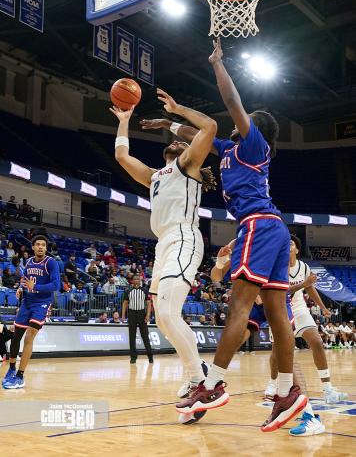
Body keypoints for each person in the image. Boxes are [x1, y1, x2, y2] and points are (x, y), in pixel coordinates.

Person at [143, 40, 304, 431]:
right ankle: (287, 391)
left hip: (259, 225)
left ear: (255, 128)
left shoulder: (253, 144)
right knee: (276, 312)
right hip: (273, 229)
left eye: (248, 117)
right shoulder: (230, 148)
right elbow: (199, 134)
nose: (241, 118)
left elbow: (231, 101)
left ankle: (211, 384)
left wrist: (218, 64)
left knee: (239, 308)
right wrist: (170, 123)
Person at [112, 88, 216, 393]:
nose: (177, 143)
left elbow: (209, 127)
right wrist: (124, 119)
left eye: (183, 142)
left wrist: (175, 111)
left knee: (169, 313)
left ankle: (199, 378)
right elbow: (121, 155)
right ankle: (199, 372)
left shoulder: (188, 166)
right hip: (163, 245)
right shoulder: (155, 176)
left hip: (183, 237)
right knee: (163, 320)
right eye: (175, 142)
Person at [209, 240, 324, 436]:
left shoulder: (269, 241)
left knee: (284, 357)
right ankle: (208, 385)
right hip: (252, 305)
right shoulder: (238, 245)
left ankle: (310, 417)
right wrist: (220, 262)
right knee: (234, 341)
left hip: (276, 301)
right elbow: (216, 277)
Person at [265, 234, 348, 418]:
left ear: (297, 249)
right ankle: (272, 383)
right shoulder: (276, 266)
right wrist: (304, 283)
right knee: (276, 352)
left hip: (300, 309)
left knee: (317, 342)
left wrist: (323, 308)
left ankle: (327, 389)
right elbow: (283, 290)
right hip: (280, 309)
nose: (288, 245)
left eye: (291, 243)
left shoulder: (303, 267)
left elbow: (310, 289)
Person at [2, 235, 60, 389]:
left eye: (43, 245)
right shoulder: (28, 262)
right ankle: (12, 368)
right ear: (33, 247)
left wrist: (36, 287)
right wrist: (21, 288)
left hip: (42, 303)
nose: (41, 247)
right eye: (38, 244)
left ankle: (20, 376)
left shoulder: (51, 263)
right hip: (27, 303)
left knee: (29, 335)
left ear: (46, 248)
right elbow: (25, 279)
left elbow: (55, 285)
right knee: (16, 337)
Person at [121, 275, 153, 363]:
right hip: (131, 314)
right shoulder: (128, 291)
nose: (136, 280)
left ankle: (150, 356)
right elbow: (125, 303)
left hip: (142, 314)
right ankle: (133, 357)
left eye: (138, 279)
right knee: (132, 336)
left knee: (145, 336)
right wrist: (123, 315)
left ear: (140, 280)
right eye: (134, 279)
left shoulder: (144, 290)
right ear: (132, 281)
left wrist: (147, 315)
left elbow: (148, 303)